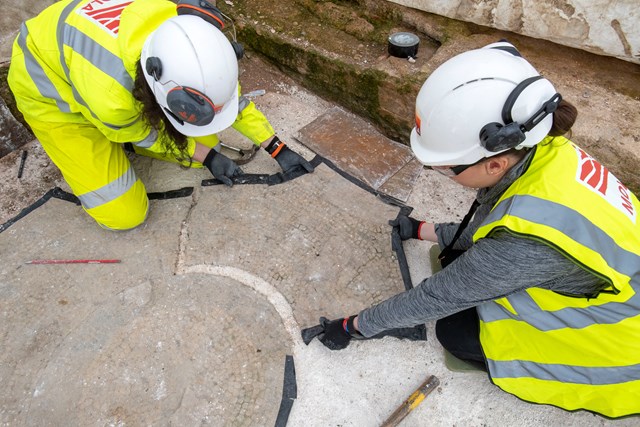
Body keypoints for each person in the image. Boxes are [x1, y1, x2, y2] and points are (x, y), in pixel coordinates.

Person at [307, 41, 640, 418]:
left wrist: (353, 327)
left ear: (496, 164)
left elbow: (437, 297)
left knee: (454, 331)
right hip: (615, 285)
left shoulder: (524, 244)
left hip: (618, 348)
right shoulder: (546, 152)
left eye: (447, 168)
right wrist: (423, 231)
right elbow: (496, 221)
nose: (440, 173)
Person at [7, 0, 313, 230]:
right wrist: (204, 156)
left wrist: (275, 146)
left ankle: (120, 136)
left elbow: (228, 98)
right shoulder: (111, 97)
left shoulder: (185, 38)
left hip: (92, 62)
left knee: (202, 135)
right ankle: (99, 139)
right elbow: (146, 133)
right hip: (49, 92)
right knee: (124, 215)